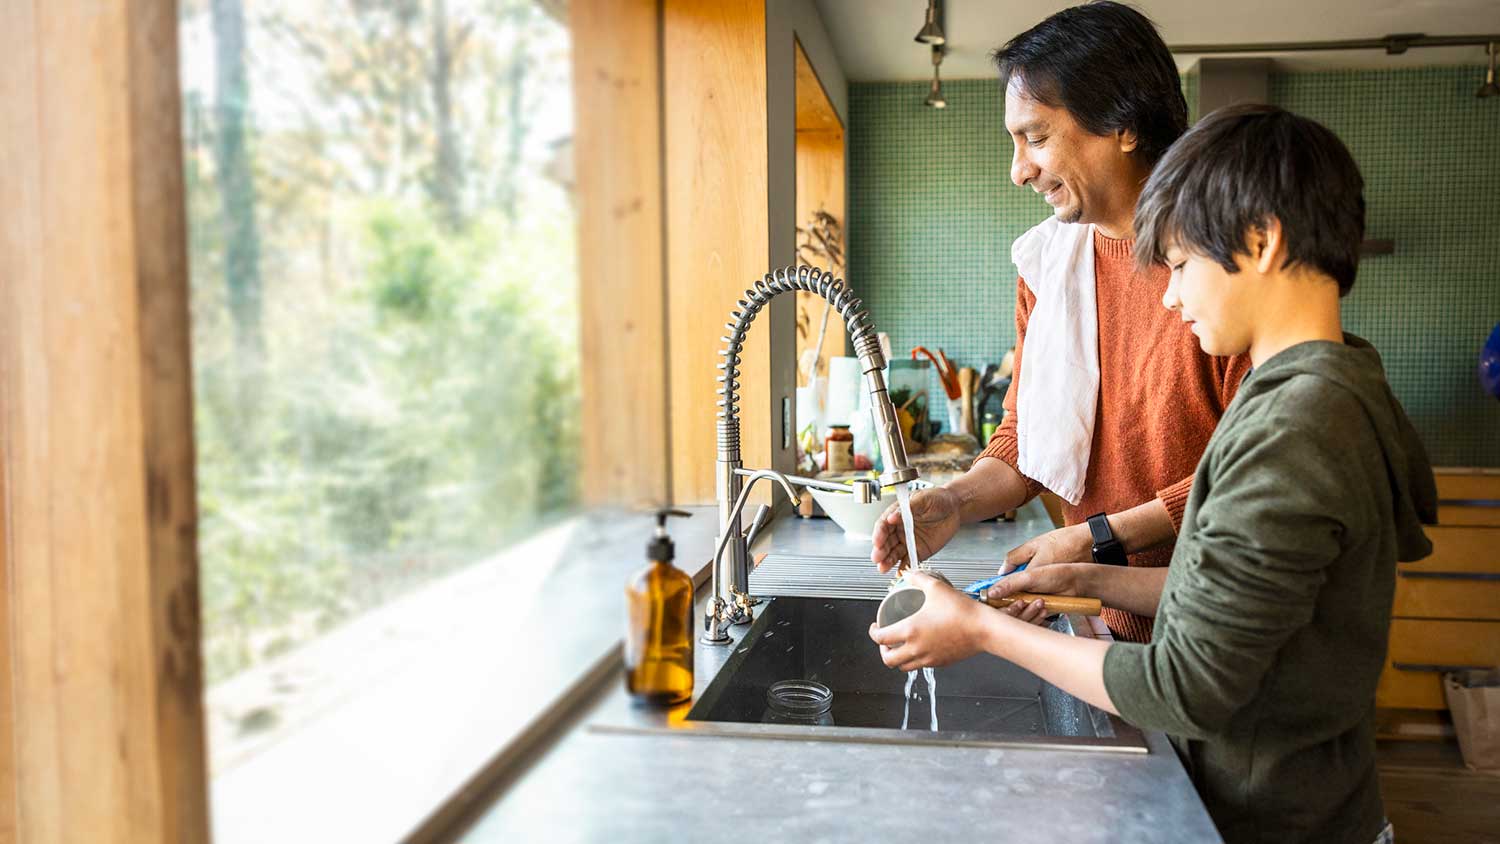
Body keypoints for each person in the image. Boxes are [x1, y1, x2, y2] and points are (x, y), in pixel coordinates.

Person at [870, 104, 1438, 844]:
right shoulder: (1321, 389)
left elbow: (1185, 685)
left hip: (1275, 818)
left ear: (1261, 241)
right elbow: (1251, 600)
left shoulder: (1296, 426)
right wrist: (1089, 579)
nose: (1168, 297)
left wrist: (979, 628)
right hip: (1306, 798)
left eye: (1177, 265)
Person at [871, 1, 1250, 643]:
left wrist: (1093, 540)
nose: (1018, 171)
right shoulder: (1048, 265)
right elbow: (1029, 438)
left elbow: (1251, 473)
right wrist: (956, 501)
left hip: (1218, 621)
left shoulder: (1221, 269)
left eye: (1037, 138)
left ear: (1124, 124)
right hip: (1107, 619)